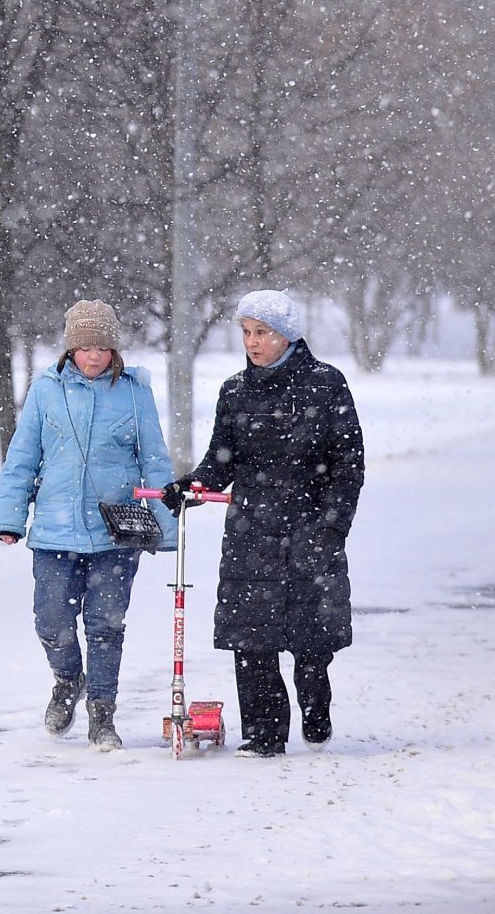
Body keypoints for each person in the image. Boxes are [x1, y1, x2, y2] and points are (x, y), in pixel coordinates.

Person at [162, 289, 365, 758]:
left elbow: (348, 464)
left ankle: (316, 705)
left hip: (311, 531)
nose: (253, 342)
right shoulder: (235, 390)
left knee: (311, 642)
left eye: (263, 333)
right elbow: (220, 459)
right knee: (252, 639)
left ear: (288, 335)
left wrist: (332, 527)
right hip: (252, 532)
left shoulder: (325, 384)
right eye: (247, 332)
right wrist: (190, 486)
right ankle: (263, 736)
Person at [0, 299, 176, 750]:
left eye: (103, 348)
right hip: (55, 529)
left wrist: (167, 527)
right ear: (70, 349)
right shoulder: (46, 390)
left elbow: (154, 459)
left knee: (106, 626)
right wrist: (10, 517)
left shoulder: (135, 392)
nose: (94, 356)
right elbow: (22, 458)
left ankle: (102, 716)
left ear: (115, 351)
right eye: (85, 347)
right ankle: (68, 679)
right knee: (51, 622)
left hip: (116, 532)